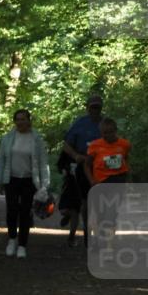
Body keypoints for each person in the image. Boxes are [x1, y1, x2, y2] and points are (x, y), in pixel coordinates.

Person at [0, 109, 49, 259]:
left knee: (25, 212)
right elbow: (1, 160)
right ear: (14, 121)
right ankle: (12, 239)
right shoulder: (8, 138)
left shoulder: (36, 138)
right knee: (11, 210)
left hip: (29, 180)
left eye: (23, 119)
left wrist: (44, 184)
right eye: (17, 119)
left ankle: (22, 245)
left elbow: (43, 162)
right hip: (11, 179)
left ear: (29, 120)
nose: (20, 122)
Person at [61, 95, 105, 246]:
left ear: (101, 108)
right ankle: (87, 232)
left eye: (97, 107)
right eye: (92, 107)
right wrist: (76, 156)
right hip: (84, 165)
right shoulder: (80, 123)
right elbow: (66, 145)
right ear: (87, 107)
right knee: (86, 202)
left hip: (102, 168)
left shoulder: (106, 124)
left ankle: (99, 233)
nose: (95, 110)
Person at [85, 117, 131, 243]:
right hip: (100, 182)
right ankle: (100, 240)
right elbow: (87, 165)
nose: (108, 135)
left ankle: (109, 244)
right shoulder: (95, 145)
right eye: (105, 133)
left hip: (118, 181)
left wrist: (126, 177)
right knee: (101, 213)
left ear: (115, 130)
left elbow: (125, 159)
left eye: (111, 132)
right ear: (101, 133)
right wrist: (91, 180)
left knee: (111, 212)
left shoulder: (124, 144)